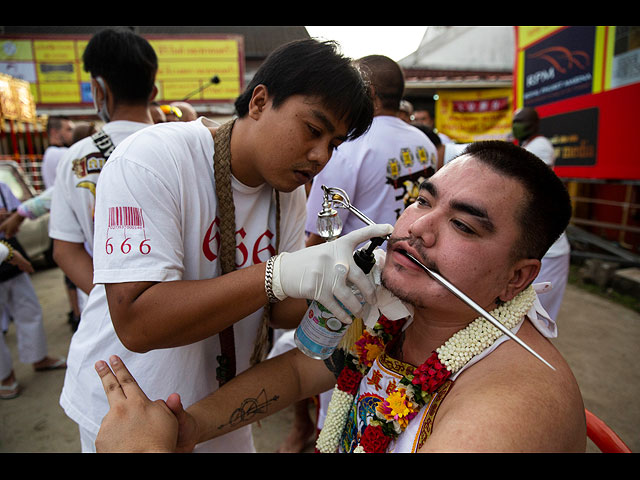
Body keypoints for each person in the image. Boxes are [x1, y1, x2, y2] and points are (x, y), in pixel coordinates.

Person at [93, 141, 587, 453]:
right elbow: (298, 370)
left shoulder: (504, 414)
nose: (417, 230)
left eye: (461, 225)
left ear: (517, 279)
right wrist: (192, 427)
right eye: (421, 200)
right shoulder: (402, 311)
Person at [60, 38, 375, 453]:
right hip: (130, 409)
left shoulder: (289, 194)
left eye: (334, 144)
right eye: (313, 130)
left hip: (218, 407)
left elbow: (274, 310)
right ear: (260, 101)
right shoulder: (154, 158)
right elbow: (135, 321)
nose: (320, 156)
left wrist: (349, 285)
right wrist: (277, 274)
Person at [1, 182, 66, 400]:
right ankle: (4, 375)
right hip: (8, 254)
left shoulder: (2, 186)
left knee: (28, 308)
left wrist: (9, 216)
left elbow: (16, 211)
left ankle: (38, 357)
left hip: (10, 256)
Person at [512, 107, 571, 321]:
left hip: (551, 253)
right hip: (537, 250)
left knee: (539, 318)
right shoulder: (528, 145)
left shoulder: (540, 147)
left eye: (520, 121)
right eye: (514, 121)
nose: (515, 126)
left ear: (534, 124)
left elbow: (530, 181)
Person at [41, 116, 75, 189]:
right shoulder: (59, 153)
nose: (73, 133)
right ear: (54, 132)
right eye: (69, 129)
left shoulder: (50, 152)